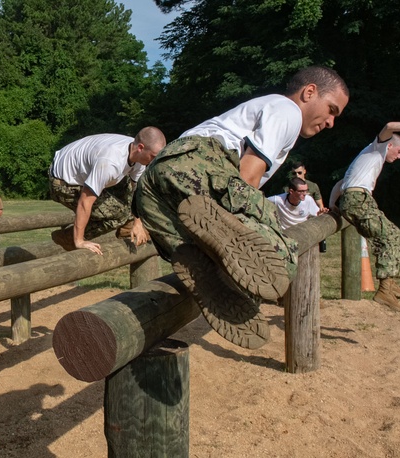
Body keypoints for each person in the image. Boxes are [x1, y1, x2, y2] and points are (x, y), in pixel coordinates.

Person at [134, 66, 349, 349]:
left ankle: (215, 268)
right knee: (281, 258)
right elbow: (247, 175)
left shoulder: (257, 108)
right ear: (310, 92)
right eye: (331, 109)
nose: (332, 122)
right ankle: (226, 268)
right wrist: (253, 219)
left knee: (200, 254)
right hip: (201, 164)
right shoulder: (288, 111)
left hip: (154, 185)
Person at [335, 121, 400, 313]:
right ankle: (385, 290)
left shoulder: (366, 160)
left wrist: (332, 206)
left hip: (354, 199)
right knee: (392, 236)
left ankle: (389, 284)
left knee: (386, 237)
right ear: (389, 145)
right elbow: (390, 125)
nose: (399, 156)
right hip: (359, 199)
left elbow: (341, 184)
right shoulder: (378, 147)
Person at [48, 126, 167, 255]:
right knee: (117, 215)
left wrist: (137, 222)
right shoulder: (110, 163)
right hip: (63, 181)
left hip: (82, 170)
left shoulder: (137, 155)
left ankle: (128, 226)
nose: (154, 161)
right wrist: (79, 241)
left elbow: (136, 192)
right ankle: (68, 238)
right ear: (140, 148)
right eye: (153, 156)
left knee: (132, 190)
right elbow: (85, 201)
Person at [284, 161, 329, 252]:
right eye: (294, 173)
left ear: (304, 171)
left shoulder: (312, 186)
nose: (297, 175)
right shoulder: (288, 187)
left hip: (310, 216)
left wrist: (321, 212)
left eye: (299, 173)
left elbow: (319, 203)